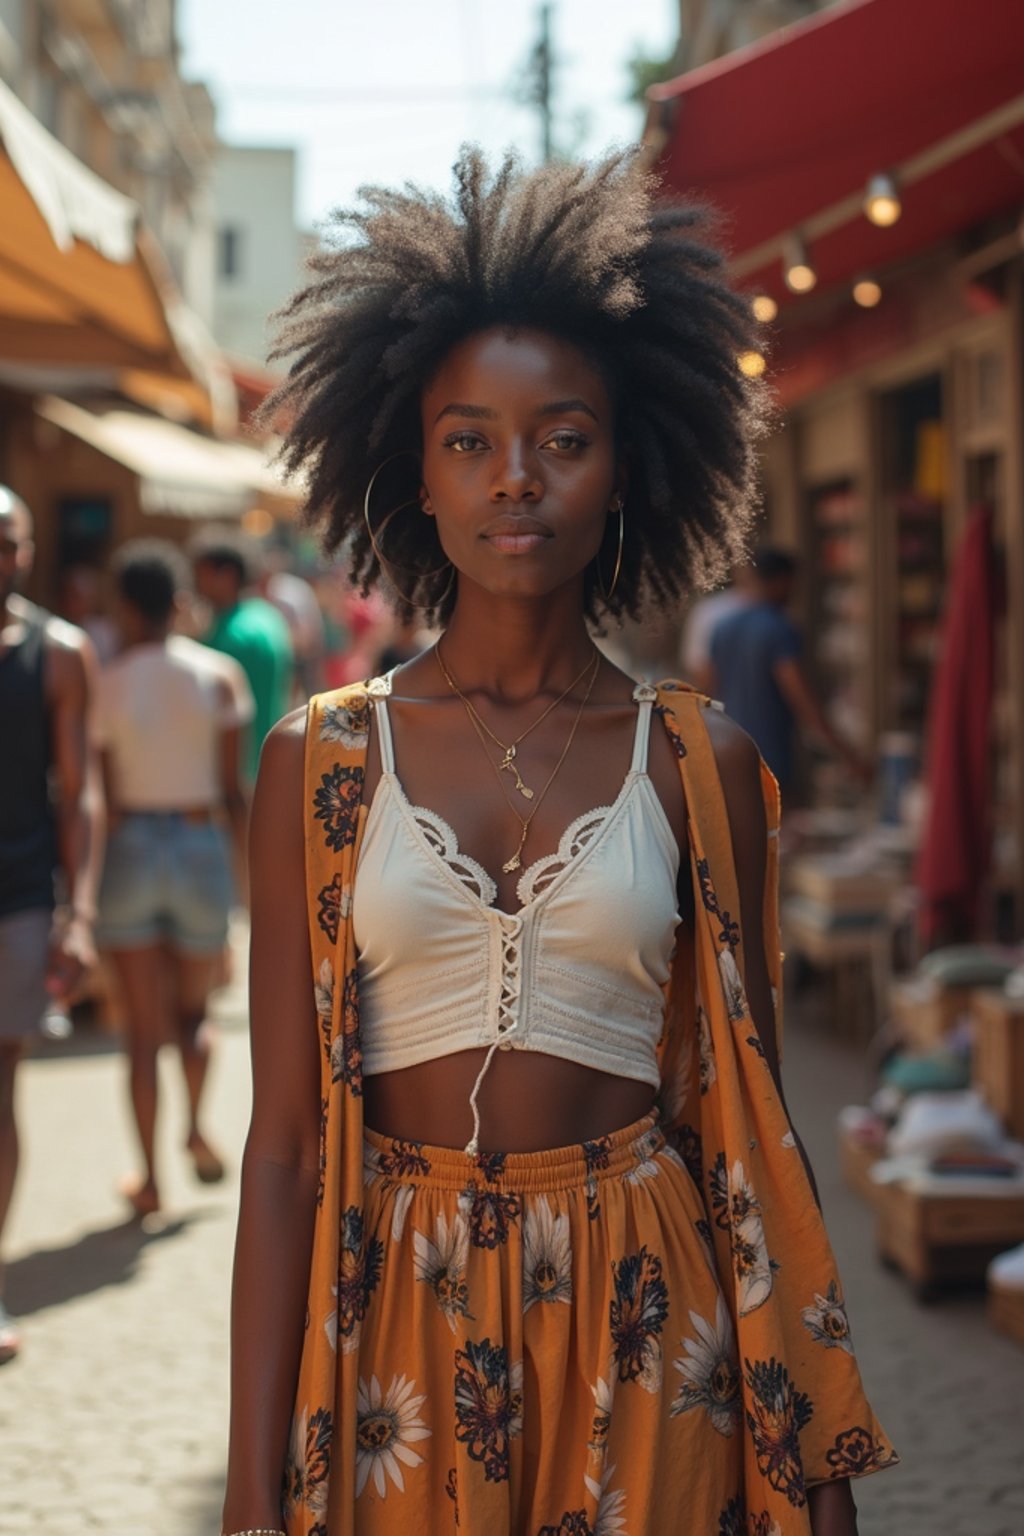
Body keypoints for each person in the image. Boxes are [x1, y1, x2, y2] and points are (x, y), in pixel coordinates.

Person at [222, 151, 896, 1536]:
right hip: (392, 1328)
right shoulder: (320, 764)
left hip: (660, 1332)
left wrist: (812, 1465)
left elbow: (753, 1139)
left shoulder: (701, 765)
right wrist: (247, 1493)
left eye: (564, 439)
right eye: (469, 439)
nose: (515, 480)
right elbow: (284, 1150)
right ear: (411, 467)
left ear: (629, 463)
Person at [94, 540, 253, 1216]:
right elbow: (232, 788)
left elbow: (98, 794)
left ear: (127, 606)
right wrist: (249, 879)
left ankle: (150, 1178)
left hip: (130, 846)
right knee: (194, 1015)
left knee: (140, 1033)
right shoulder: (218, 677)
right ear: (179, 600)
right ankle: (195, 1127)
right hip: (198, 844)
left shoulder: (107, 681)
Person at [0, 487, 103, 1365]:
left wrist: (81, 912)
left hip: (20, 896)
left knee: (0, 1088)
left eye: (8, 543)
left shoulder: (60, 655)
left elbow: (82, 792)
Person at [710, 545, 872, 799]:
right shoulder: (780, 628)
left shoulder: (722, 627)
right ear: (781, 582)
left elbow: (710, 689)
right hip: (770, 759)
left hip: (727, 754)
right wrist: (848, 756)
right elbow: (802, 699)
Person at [190, 526, 293, 786]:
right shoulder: (269, 617)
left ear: (226, 576)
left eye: (201, 574)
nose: (195, 584)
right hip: (268, 762)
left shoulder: (228, 635)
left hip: (235, 772)